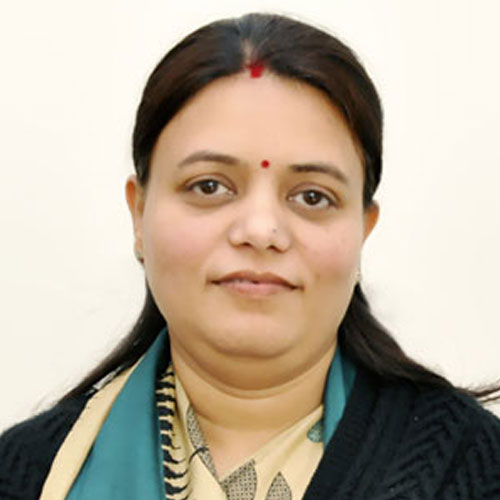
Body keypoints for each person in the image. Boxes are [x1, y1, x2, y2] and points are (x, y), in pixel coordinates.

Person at [1, 11, 500, 500]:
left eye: (312, 196)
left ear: (363, 230)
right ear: (139, 213)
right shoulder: (26, 477)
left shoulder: (479, 471)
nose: (261, 231)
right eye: (209, 186)